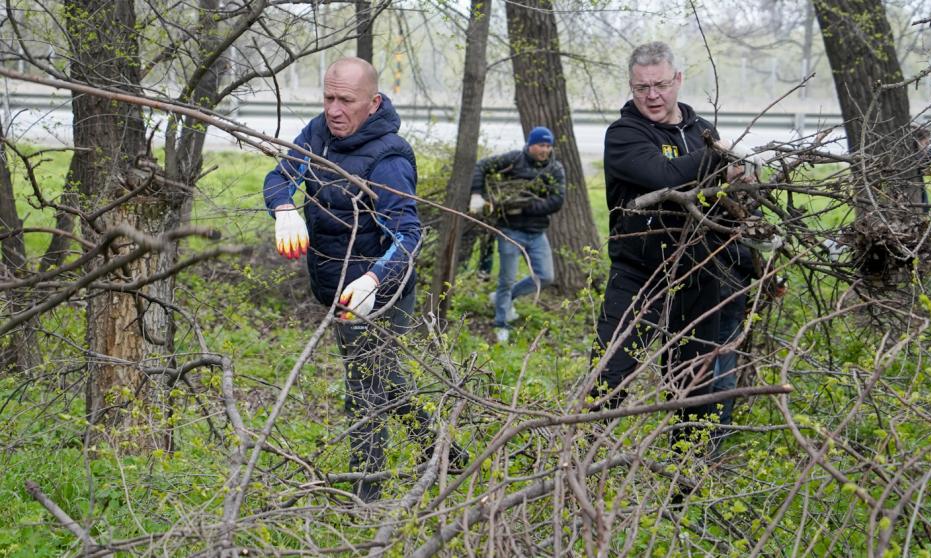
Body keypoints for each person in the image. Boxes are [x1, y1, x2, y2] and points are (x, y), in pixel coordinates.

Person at [262, 57, 460, 503]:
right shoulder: (319, 132)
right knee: (387, 383)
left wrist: (374, 280)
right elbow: (280, 176)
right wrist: (284, 207)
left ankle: (365, 501)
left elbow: (409, 237)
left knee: (366, 391)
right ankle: (445, 453)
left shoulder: (388, 158)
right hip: (339, 288)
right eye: (328, 97)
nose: (334, 109)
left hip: (381, 294)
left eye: (345, 100)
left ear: (372, 103)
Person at [590, 41, 750, 438]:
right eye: (641, 88)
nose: (652, 96)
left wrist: (741, 182)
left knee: (694, 383)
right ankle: (581, 457)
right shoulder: (625, 133)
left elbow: (720, 203)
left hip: (697, 271)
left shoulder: (702, 132)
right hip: (639, 273)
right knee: (611, 370)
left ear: (677, 79)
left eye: (660, 85)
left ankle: (686, 480)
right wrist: (720, 159)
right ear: (631, 86)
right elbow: (664, 175)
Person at [468, 126, 566, 343]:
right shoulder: (514, 160)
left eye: (549, 146)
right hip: (510, 232)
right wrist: (477, 194)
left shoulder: (554, 169)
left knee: (545, 277)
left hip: (537, 232)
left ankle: (504, 298)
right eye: (541, 145)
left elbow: (557, 200)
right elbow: (482, 165)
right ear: (530, 144)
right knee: (506, 278)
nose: (545, 150)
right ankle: (501, 323)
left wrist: (524, 208)